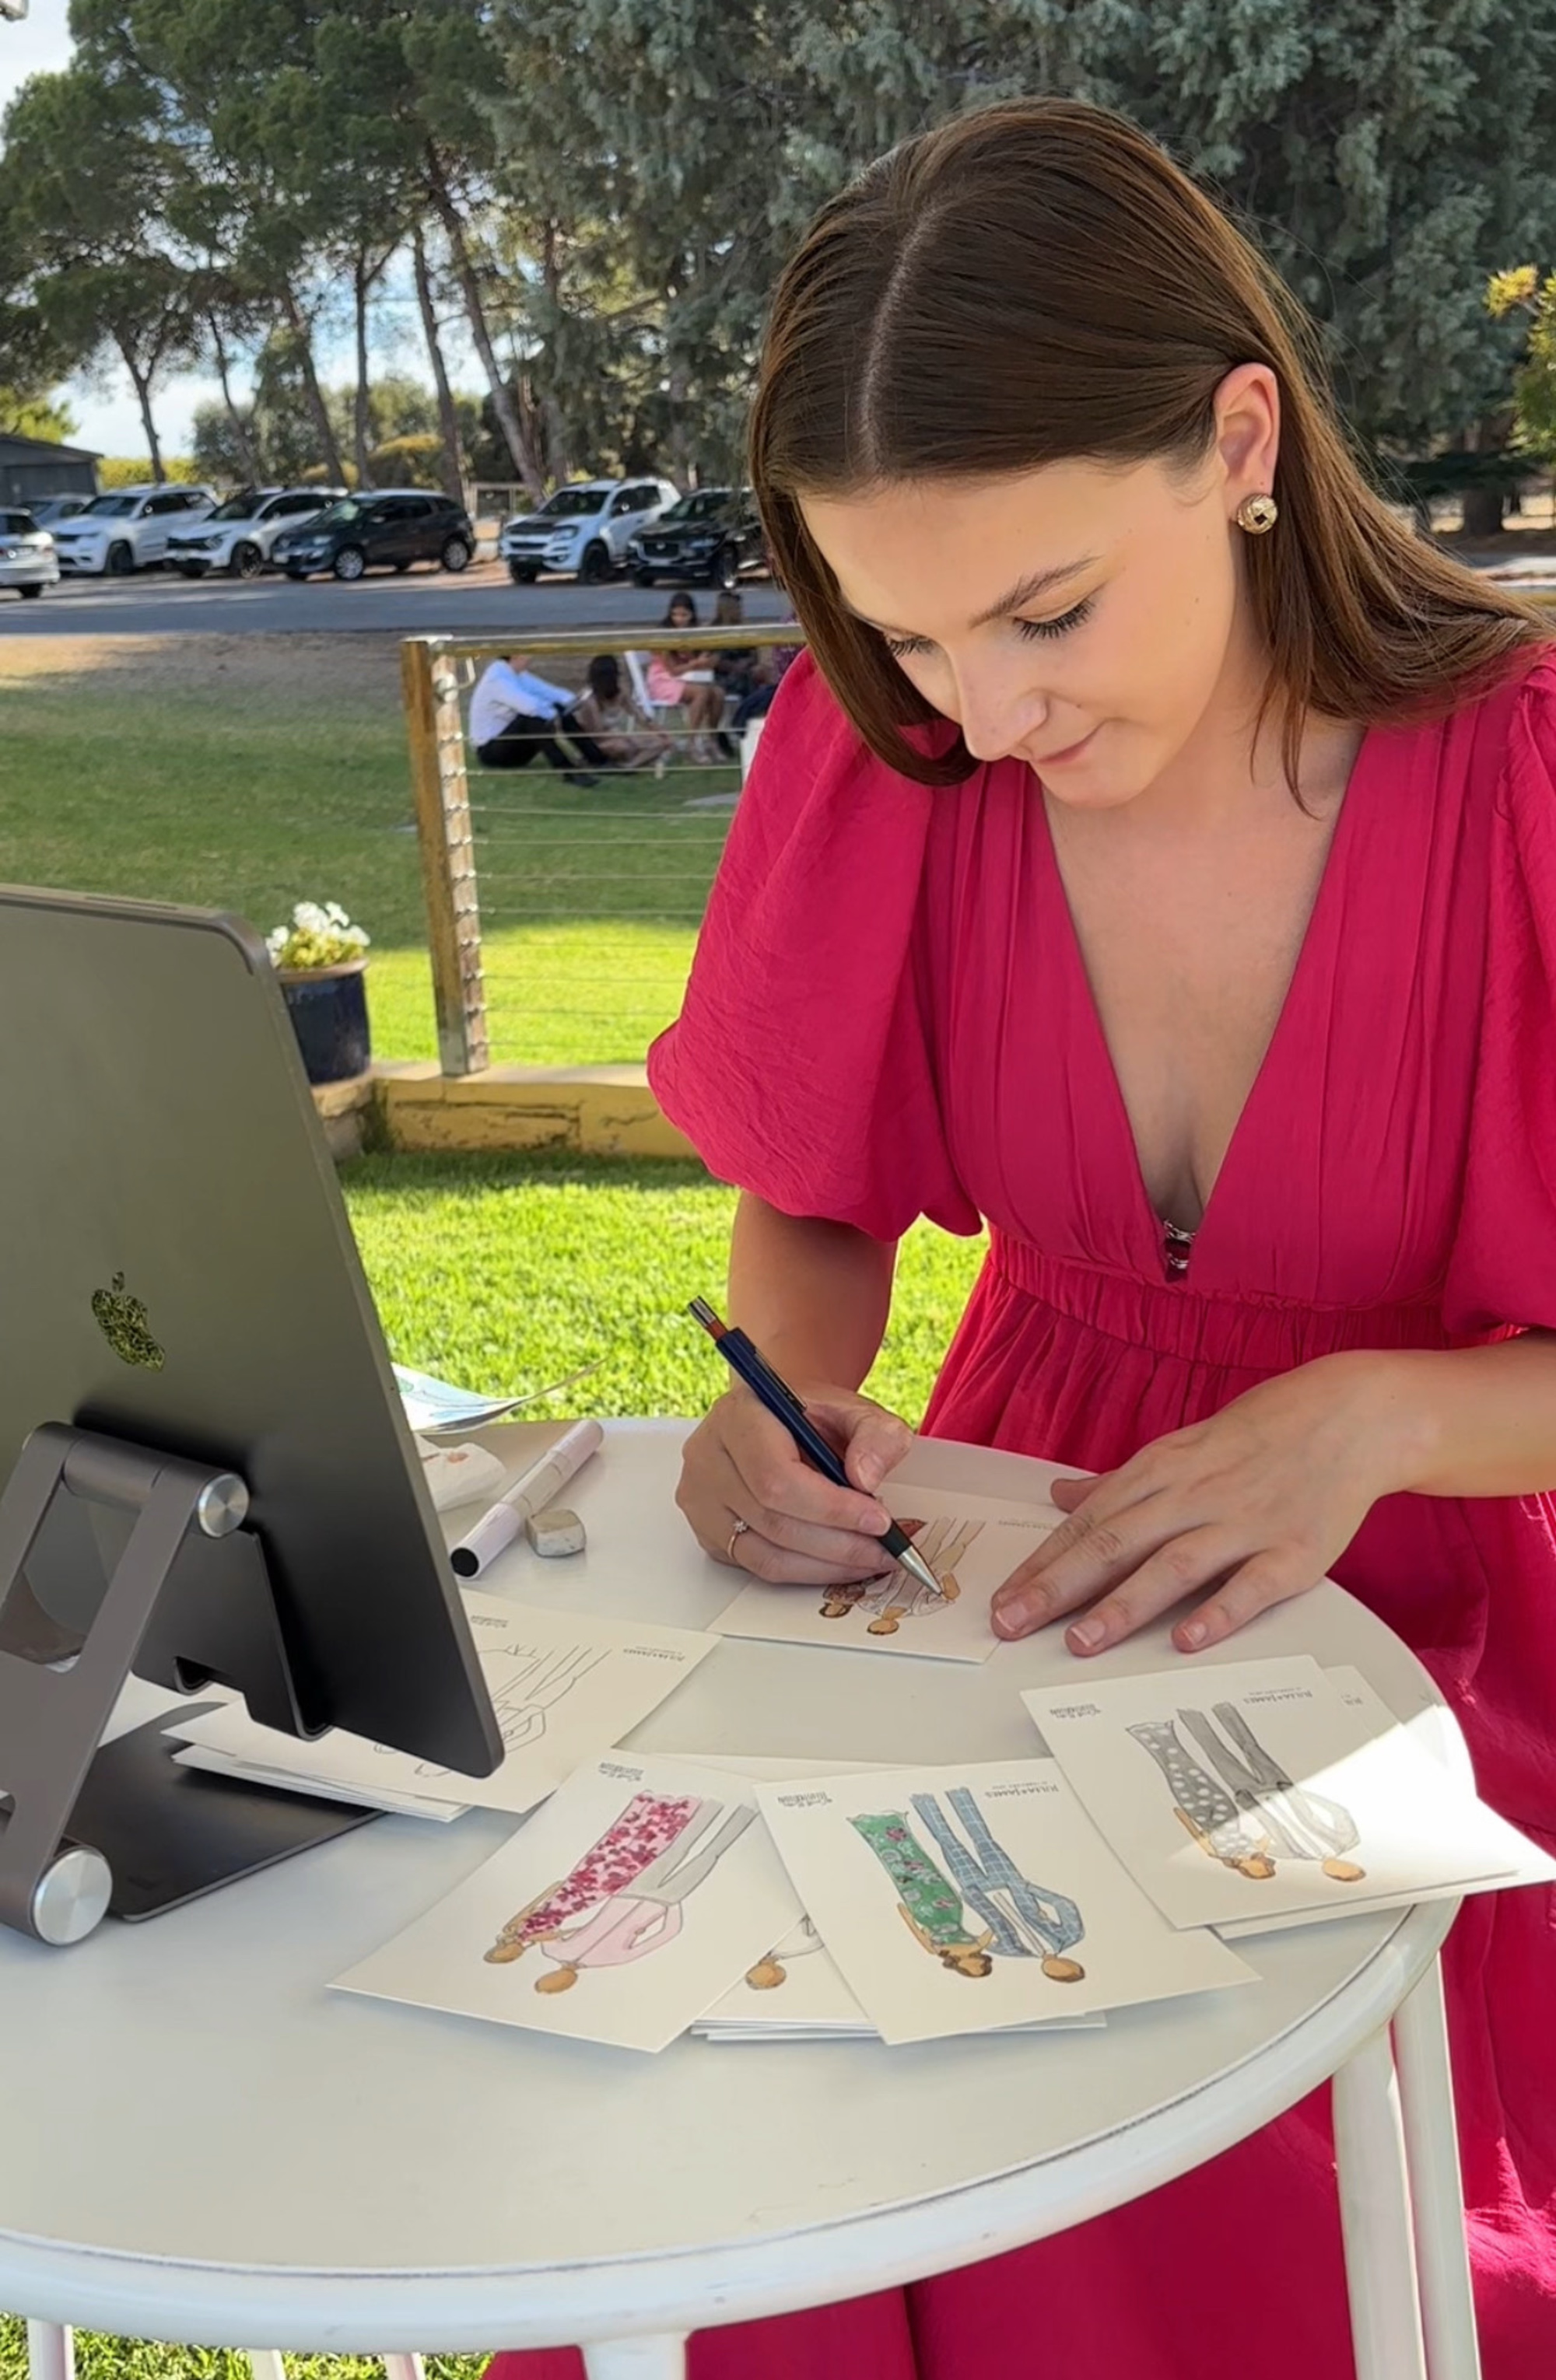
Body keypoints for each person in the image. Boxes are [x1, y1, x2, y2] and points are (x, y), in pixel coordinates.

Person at [488, 96, 1556, 2380]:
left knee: (1238, 2199)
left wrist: (1365, 1419)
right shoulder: (899, 754)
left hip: (1473, 1623)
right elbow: (809, 1190)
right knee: (748, 2093)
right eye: (908, 630)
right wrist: (772, 1404)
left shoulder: (1534, 774)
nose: (993, 712)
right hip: (1015, 1584)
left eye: (1047, 608)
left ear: (1241, 440)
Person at [468, 652, 612, 785]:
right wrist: (555, 714)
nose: (529, 659)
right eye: (526, 656)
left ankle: (597, 759)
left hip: (515, 749)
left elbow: (547, 691)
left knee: (558, 710)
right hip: (491, 753)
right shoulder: (497, 679)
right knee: (532, 720)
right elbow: (528, 706)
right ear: (514, 656)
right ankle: (569, 772)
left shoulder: (517, 674)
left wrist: (571, 701)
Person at [645, 590, 727, 758]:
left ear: (692, 615)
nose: (680, 619)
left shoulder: (693, 632)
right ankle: (692, 742)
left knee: (718, 693)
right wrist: (696, 663)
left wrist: (706, 658)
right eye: (676, 615)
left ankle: (711, 738)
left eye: (684, 615)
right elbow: (673, 670)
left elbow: (700, 658)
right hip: (664, 679)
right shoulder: (664, 635)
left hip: (685, 677)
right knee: (701, 692)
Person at [572, 653, 676, 773]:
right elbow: (598, 733)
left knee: (659, 743)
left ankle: (629, 766)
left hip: (617, 737)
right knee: (624, 747)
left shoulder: (621, 693)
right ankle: (593, 760)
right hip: (595, 742)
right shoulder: (590, 700)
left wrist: (662, 733)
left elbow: (641, 717)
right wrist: (626, 738)